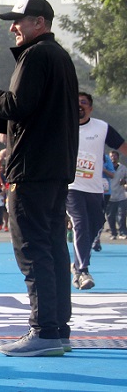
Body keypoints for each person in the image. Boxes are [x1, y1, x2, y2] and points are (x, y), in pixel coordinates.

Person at [0, 0, 78, 357]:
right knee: (54, 248)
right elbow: (34, 114)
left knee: (32, 249)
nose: (13, 27)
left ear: (39, 23)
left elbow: (17, 105)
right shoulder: (59, 58)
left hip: (31, 169)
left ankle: (42, 331)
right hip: (55, 168)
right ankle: (57, 329)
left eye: (19, 21)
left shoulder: (35, 55)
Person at [67, 92, 127, 290]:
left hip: (94, 189)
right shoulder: (61, 125)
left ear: (90, 108)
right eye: (76, 103)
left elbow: (122, 145)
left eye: (84, 103)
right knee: (80, 223)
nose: (79, 106)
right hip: (71, 187)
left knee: (96, 224)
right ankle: (82, 272)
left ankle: (77, 262)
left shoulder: (101, 128)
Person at [105, 150, 127, 241]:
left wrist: (125, 182)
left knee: (122, 215)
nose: (113, 158)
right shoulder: (106, 167)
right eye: (111, 156)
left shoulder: (123, 168)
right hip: (110, 195)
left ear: (117, 157)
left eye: (114, 156)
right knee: (110, 216)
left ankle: (123, 232)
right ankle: (113, 233)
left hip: (121, 196)